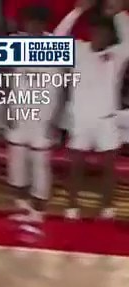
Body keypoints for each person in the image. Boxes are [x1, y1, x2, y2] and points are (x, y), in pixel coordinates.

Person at [57, 0, 129, 221]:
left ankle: (107, 208)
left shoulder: (117, 55)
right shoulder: (77, 50)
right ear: (90, 32)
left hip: (106, 120)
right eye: (96, 31)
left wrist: (118, 14)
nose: (100, 36)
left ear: (110, 36)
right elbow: (57, 38)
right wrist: (78, 10)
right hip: (81, 119)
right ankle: (72, 206)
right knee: (76, 165)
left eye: (105, 33)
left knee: (109, 167)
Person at [5, 6, 68, 235]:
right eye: (29, 23)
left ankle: (39, 211)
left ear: (44, 26)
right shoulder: (15, 42)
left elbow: (63, 87)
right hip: (20, 111)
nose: (32, 28)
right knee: (17, 160)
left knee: (40, 165)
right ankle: (23, 207)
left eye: (37, 24)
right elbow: (8, 75)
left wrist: (57, 118)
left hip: (44, 114)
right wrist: (8, 107)